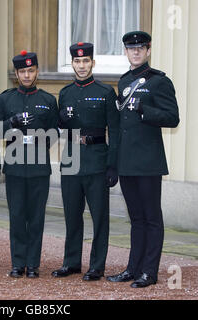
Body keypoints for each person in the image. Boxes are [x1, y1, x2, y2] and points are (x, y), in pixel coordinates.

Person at [106, 31, 180, 288]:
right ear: (125, 51)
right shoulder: (124, 80)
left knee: (151, 218)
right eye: (131, 48)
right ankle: (133, 268)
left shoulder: (159, 81)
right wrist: (114, 163)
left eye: (140, 48)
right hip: (127, 161)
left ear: (148, 50)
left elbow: (172, 117)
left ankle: (149, 271)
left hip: (148, 162)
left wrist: (144, 110)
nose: (136, 52)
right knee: (135, 218)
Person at [51, 43, 119, 281]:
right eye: (78, 62)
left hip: (97, 158)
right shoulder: (66, 93)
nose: (82, 66)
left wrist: (113, 165)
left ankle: (97, 265)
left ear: (92, 62)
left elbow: (116, 131)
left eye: (86, 61)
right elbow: (61, 126)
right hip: (71, 159)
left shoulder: (106, 92)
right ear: (73, 63)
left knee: (99, 216)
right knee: (71, 214)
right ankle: (71, 262)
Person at [0, 50, 58, 278]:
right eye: (23, 71)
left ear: (37, 71)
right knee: (17, 216)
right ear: (17, 73)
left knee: (37, 217)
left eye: (31, 70)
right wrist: (11, 122)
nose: (27, 75)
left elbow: (54, 131)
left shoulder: (48, 100)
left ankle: (33, 264)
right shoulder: (6, 99)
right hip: (14, 166)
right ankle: (17, 263)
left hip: (39, 167)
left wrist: (40, 142)